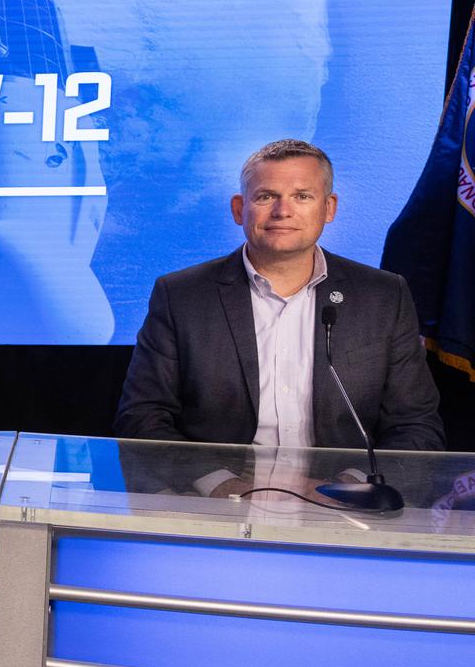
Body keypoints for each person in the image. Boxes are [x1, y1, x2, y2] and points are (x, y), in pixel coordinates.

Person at [115, 139, 443, 451]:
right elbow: (142, 417)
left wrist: (352, 485)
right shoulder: (181, 296)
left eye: (302, 196)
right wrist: (217, 484)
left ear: (329, 208)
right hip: (217, 501)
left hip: (344, 501)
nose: (282, 211)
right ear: (239, 209)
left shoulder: (384, 296)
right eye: (266, 196)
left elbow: (416, 425)